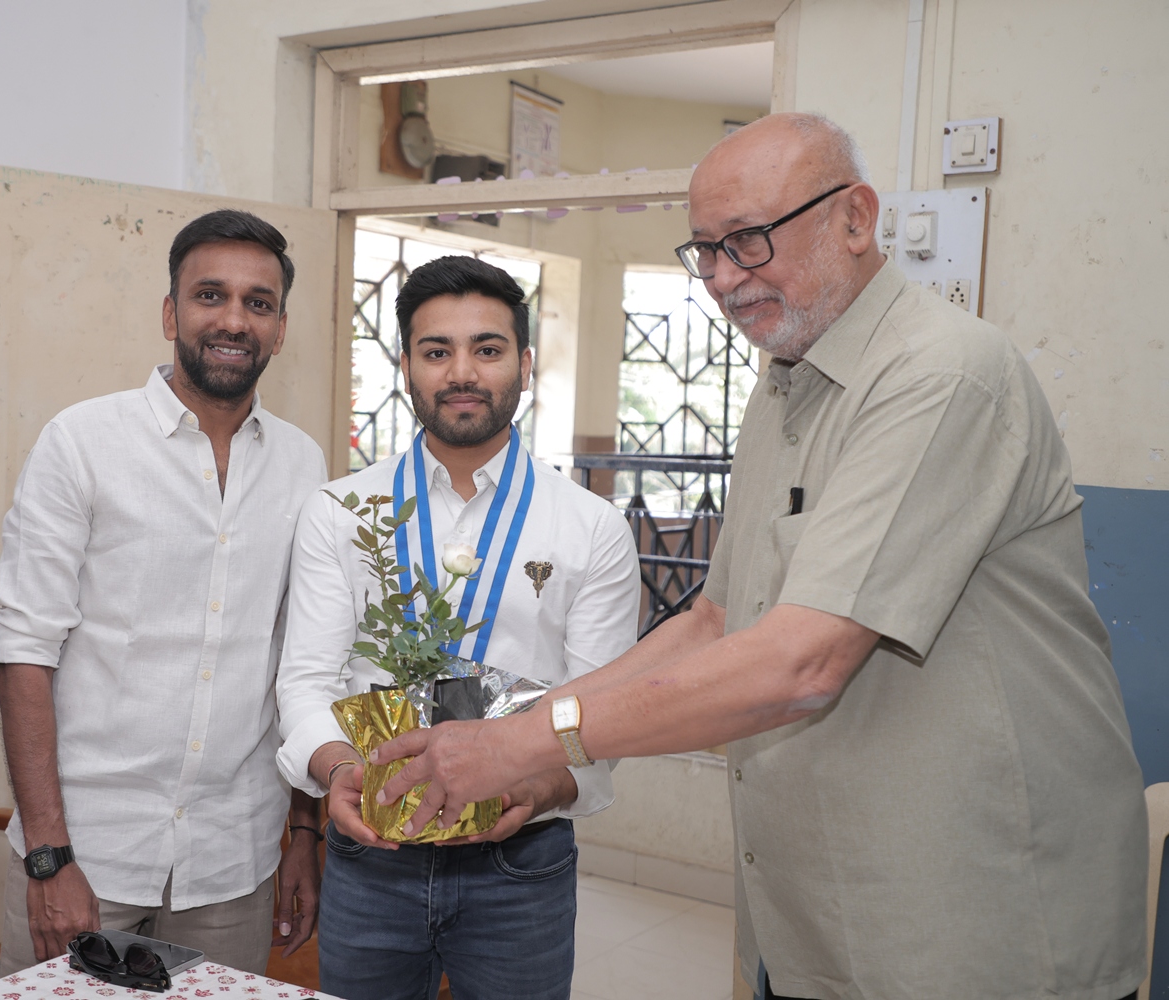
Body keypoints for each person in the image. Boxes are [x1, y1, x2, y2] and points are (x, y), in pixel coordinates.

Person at [371, 114, 1148, 1000]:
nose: (723, 279)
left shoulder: (941, 375)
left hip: (969, 914)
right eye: (705, 250)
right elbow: (715, 620)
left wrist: (520, 742)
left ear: (856, 218)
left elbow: (803, 662)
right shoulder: (782, 389)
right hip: (820, 911)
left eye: (748, 240)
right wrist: (528, 738)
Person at [275, 255, 639, 1000]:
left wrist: (540, 787)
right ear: (406, 366)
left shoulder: (592, 528)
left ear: (526, 365)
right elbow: (307, 680)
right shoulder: (340, 512)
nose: (462, 372)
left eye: (488, 348)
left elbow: (598, 711)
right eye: (436, 351)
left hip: (521, 862)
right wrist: (339, 771)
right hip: (372, 849)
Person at [0, 209, 329, 976]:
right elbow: (24, 651)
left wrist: (303, 835)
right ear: (172, 314)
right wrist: (48, 856)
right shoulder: (82, 443)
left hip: (234, 862)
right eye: (211, 295)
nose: (234, 320)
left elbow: (303, 663)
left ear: (279, 329)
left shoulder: (304, 467)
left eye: (258, 303)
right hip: (88, 854)